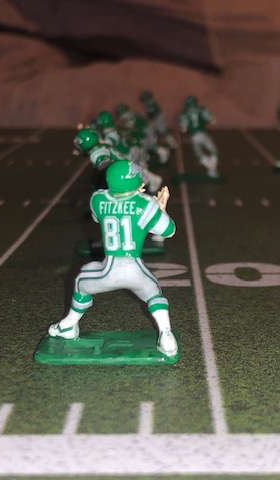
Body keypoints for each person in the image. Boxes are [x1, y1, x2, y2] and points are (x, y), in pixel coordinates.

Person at [48, 160, 178, 356]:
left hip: (108, 270)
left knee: (82, 280)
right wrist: (160, 210)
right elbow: (169, 231)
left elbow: (99, 217)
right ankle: (166, 335)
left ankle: (68, 324)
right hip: (135, 269)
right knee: (154, 294)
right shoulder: (146, 204)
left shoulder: (98, 199)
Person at [179, 95, 219, 177]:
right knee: (214, 151)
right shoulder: (201, 110)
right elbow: (212, 120)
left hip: (194, 137)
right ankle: (212, 169)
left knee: (199, 154)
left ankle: (211, 168)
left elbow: (183, 129)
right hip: (203, 134)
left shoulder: (184, 114)